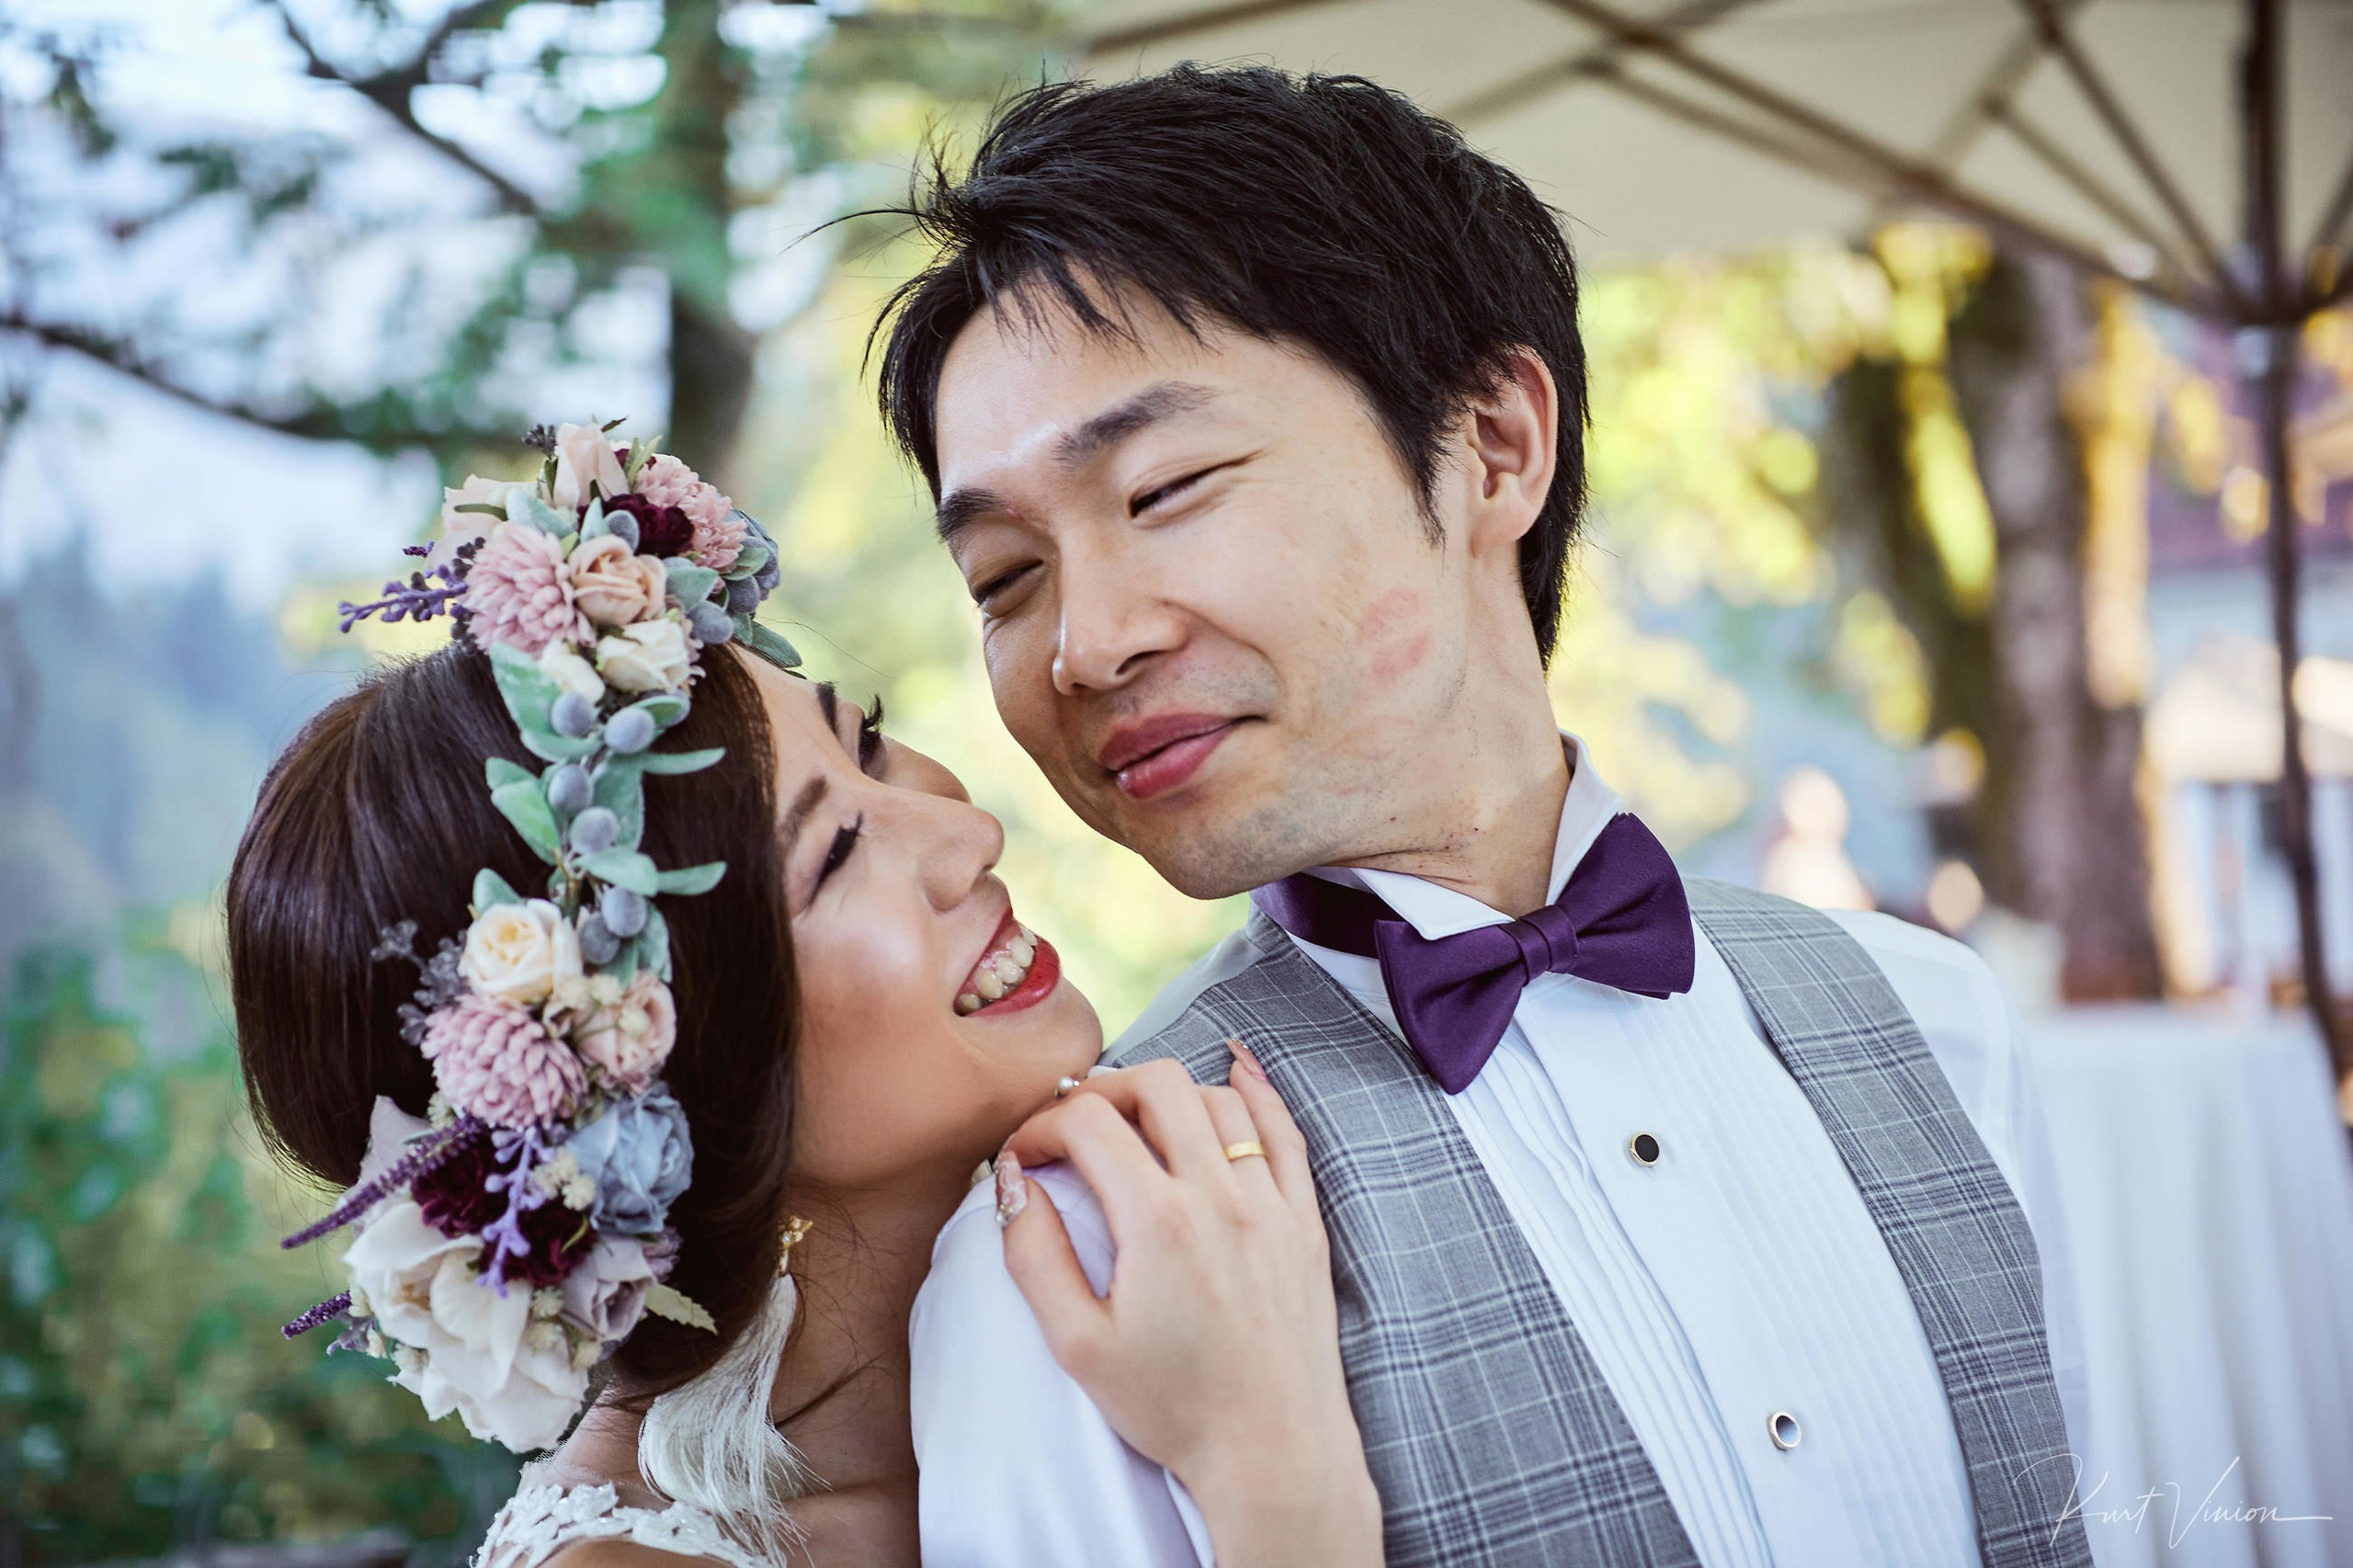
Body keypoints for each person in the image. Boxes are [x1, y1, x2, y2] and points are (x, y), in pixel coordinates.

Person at [881, 66, 2097, 1567]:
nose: (1084, 646)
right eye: (1006, 577)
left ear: (1493, 445)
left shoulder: (1942, 1025)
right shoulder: (1081, 1243)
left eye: (1164, 487)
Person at [226, 428, 1379, 1568]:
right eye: (831, 857)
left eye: (870, 746)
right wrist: (1276, 1485)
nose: (966, 830)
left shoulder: (1153, 1287)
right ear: (664, 1069)